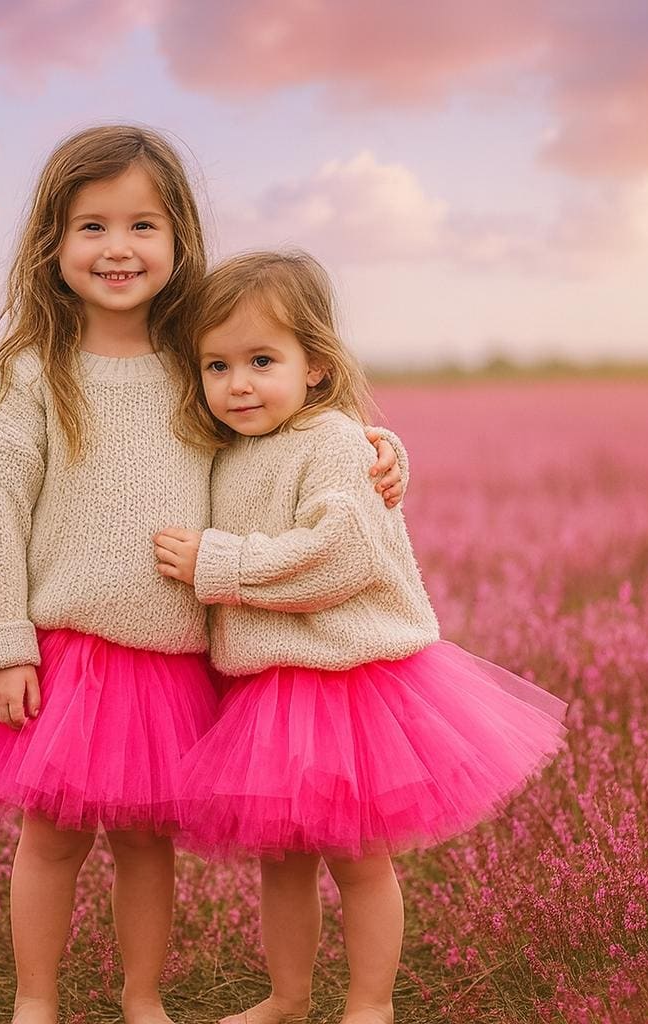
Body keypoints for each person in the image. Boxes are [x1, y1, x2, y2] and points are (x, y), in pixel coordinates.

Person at [0, 127, 409, 1024]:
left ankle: (142, 998)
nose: (118, 248)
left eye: (143, 225)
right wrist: (1, 641)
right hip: (70, 650)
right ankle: (34, 1000)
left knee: (148, 844)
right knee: (52, 840)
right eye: (92, 226)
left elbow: (296, 428)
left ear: (179, 238)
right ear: (53, 242)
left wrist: (385, 452)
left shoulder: (198, 356)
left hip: (175, 658)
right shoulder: (34, 374)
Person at [154, 250, 569, 1024]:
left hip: (347, 684)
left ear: (315, 366)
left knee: (359, 861)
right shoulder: (231, 446)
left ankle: (369, 1004)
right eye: (216, 365)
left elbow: (337, 557)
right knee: (282, 864)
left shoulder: (337, 441)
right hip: (268, 686)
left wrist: (221, 561)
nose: (237, 383)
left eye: (261, 360)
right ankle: (287, 996)